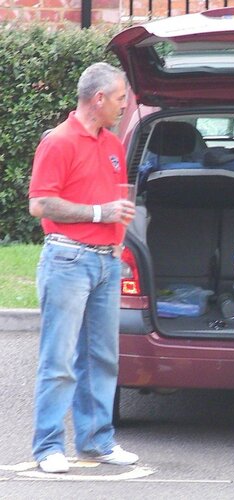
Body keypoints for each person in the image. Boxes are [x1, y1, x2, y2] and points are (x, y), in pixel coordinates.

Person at [29, 62, 138, 473]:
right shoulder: (57, 142)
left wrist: (117, 242)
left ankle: (97, 441)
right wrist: (99, 212)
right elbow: (40, 203)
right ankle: (49, 447)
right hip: (68, 258)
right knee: (59, 358)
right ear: (98, 99)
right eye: (120, 98)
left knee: (101, 358)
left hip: (106, 262)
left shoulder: (113, 144)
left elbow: (117, 205)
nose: (125, 105)